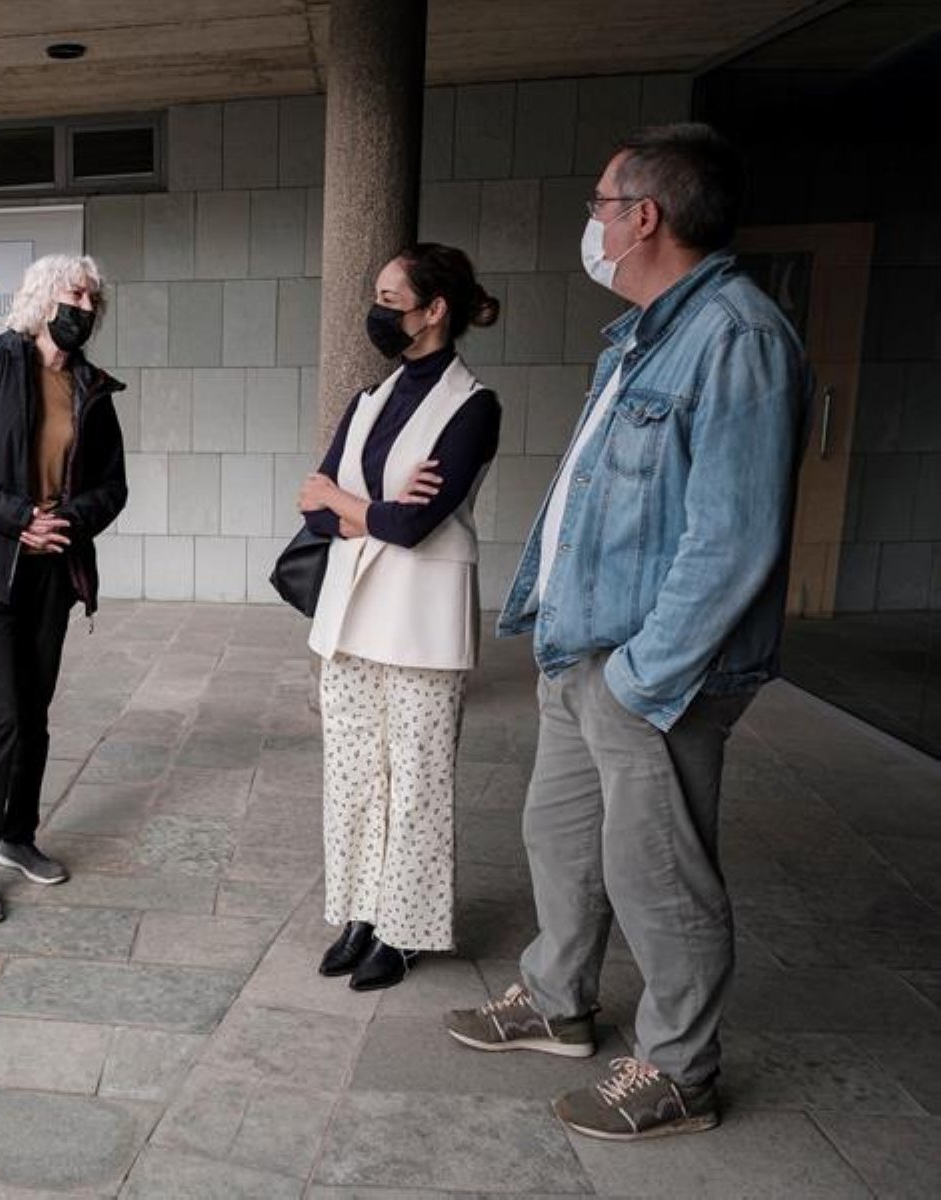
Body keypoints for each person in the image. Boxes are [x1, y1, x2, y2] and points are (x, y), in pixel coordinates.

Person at [443, 123, 808, 1141]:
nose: (592, 228)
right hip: (583, 643)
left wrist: (647, 675)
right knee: (559, 840)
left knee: (660, 876)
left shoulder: (736, 334)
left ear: (643, 216)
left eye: (600, 207)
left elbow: (733, 536)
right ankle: (556, 1002)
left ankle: (680, 1072)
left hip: (654, 666)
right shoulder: (645, 334)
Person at [298, 244, 502, 992]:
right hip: (350, 617)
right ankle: (359, 911)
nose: (378, 311)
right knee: (351, 775)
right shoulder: (367, 401)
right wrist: (369, 511)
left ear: (434, 308)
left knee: (414, 781)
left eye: (390, 297)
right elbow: (310, 507)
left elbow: (415, 527)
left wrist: (349, 505)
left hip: (421, 620)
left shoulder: (473, 407)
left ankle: (406, 928)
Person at [0, 253, 127, 925]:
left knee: (34, 712)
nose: (86, 307)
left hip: (53, 567)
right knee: (2, 714)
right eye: (76, 293)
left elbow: (111, 487)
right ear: (42, 299)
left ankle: (17, 836)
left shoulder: (91, 386)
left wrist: (65, 520)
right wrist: (18, 522)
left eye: (94, 297)